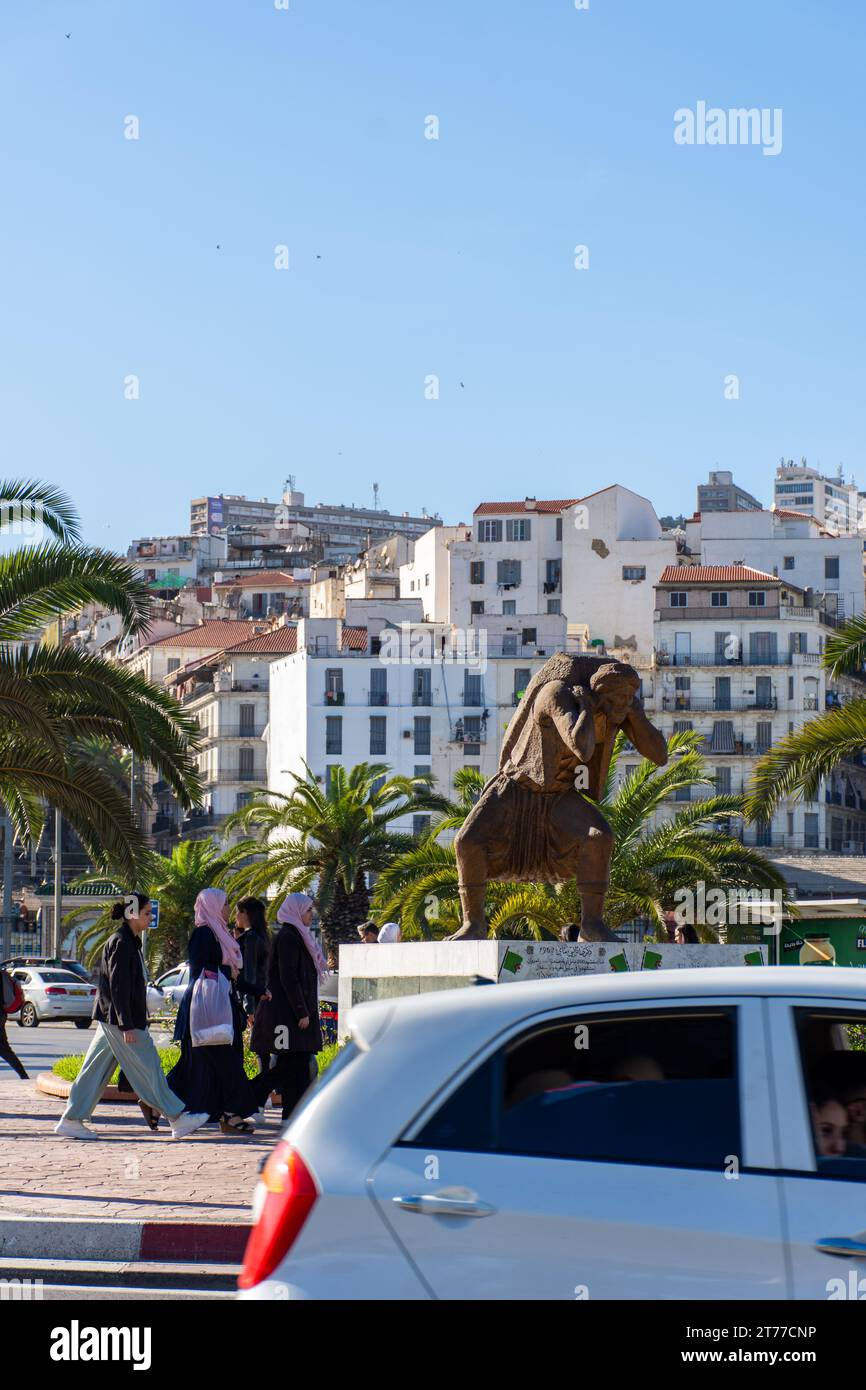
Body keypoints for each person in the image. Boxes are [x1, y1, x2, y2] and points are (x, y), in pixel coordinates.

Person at [54, 894, 210, 1141]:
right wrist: (126, 1024)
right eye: (147, 913)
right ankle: (177, 1117)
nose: (151, 917)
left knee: (94, 1071)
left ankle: (71, 1119)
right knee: (150, 1067)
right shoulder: (122, 942)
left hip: (112, 1019)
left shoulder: (129, 942)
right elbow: (118, 987)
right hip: (120, 1021)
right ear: (132, 914)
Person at [167, 888, 260, 1136]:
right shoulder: (203, 934)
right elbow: (200, 968)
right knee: (224, 1062)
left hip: (219, 1005)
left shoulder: (220, 934)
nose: (229, 908)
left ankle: (158, 1102)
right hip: (204, 1009)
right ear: (213, 906)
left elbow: (232, 976)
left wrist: (259, 990)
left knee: (195, 1064)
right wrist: (228, 972)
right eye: (225, 904)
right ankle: (232, 1113)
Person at [253, 893, 328, 1123]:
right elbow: (288, 977)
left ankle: (290, 1115)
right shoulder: (289, 937)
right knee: (290, 1067)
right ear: (296, 912)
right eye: (307, 910)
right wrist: (302, 1011)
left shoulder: (298, 936)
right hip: (289, 1016)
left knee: (295, 1066)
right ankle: (246, 1099)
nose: (310, 915)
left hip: (293, 1015)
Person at [235, 896, 272, 1079]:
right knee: (264, 1048)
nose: (236, 916)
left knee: (260, 1048)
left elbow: (248, 974)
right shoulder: (263, 936)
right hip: (264, 996)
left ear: (246, 913)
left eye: (238, 912)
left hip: (255, 999)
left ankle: (262, 1093)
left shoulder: (250, 939)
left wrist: (249, 1009)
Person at [0, 967, 28, 1079]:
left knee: (4, 1049)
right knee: (5, 1050)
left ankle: (24, 1076)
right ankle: (24, 1076)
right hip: (1, 1015)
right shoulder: (3, 974)